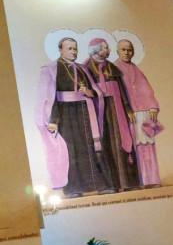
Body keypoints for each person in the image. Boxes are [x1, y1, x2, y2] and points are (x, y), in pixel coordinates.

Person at [36, 37, 116, 198]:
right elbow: (49, 98)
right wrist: (54, 121)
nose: (73, 52)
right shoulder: (51, 69)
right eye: (70, 49)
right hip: (65, 116)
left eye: (75, 49)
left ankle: (99, 186)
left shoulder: (82, 69)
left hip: (84, 113)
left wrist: (89, 92)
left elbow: (95, 92)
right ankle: (73, 189)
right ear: (60, 50)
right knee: (70, 152)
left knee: (90, 148)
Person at [84, 38, 141, 192]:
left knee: (122, 143)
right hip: (98, 112)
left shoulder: (111, 67)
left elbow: (121, 89)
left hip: (116, 111)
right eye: (105, 48)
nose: (108, 50)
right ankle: (110, 186)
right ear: (96, 50)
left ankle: (127, 183)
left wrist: (128, 109)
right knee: (105, 146)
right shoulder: (86, 68)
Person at [115, 39, 161, 188]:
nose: (126, 53)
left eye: (129, 50)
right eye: (123, 50)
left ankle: (151, 180)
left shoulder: (136, 69)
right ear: (117, 51)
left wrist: (153, 107)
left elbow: (147, 89)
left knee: (147, 145)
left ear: (133, 52)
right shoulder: (115, 68)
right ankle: (138, 180)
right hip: (128, 114)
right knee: (133, 147)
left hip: (144, 113)